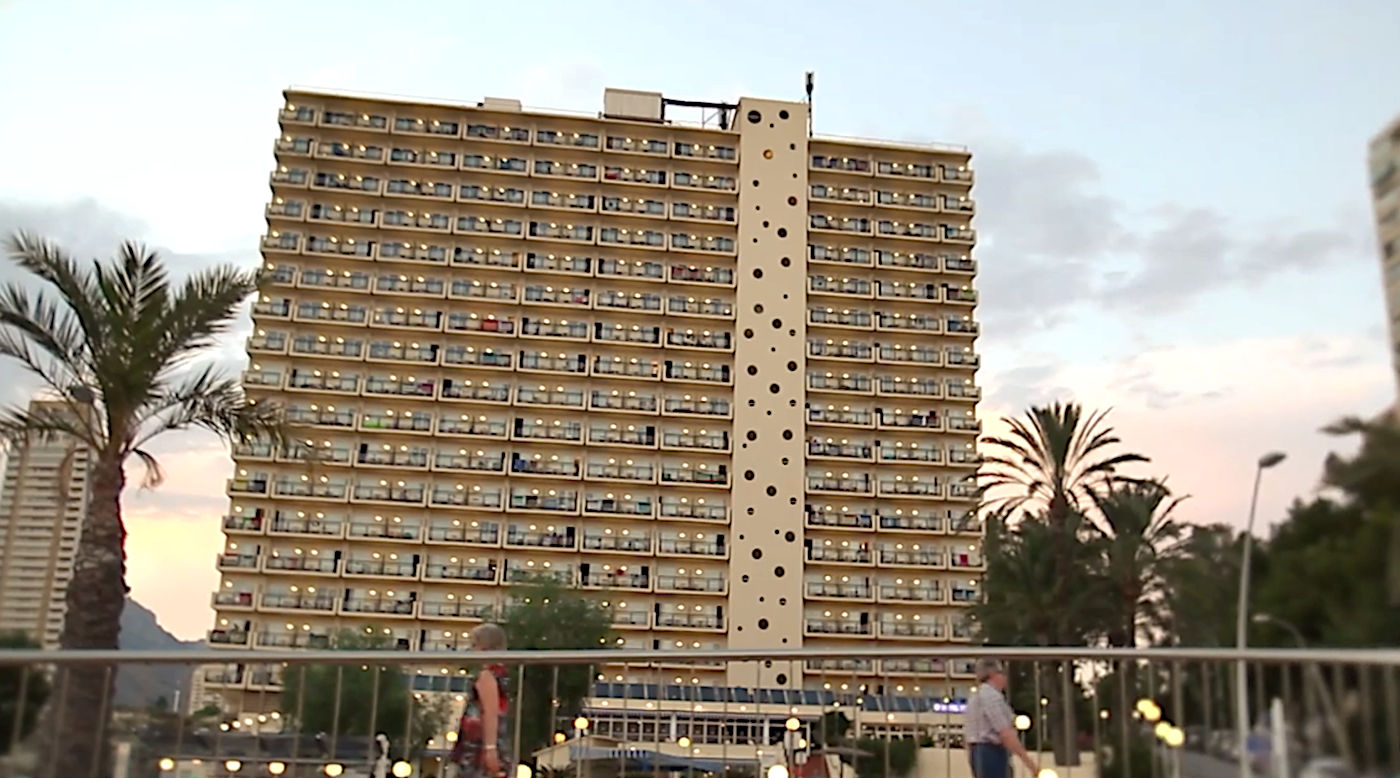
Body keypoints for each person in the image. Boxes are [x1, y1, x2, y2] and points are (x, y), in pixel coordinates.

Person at [448, 623, 511, 778]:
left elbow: (490, 712)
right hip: (489, 741)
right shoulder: (501, 674)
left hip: (479, 743)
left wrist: (490, 748)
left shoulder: (487, 675)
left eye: (474, 645)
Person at [964, 658, 1039, 778]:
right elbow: (1004, 732)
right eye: (1002, 673)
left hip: (977, 753)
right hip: (992, 752)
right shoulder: (992, 697)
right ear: (993, 674)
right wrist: (1030, 764)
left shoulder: (974, 697)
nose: (1005, 678)